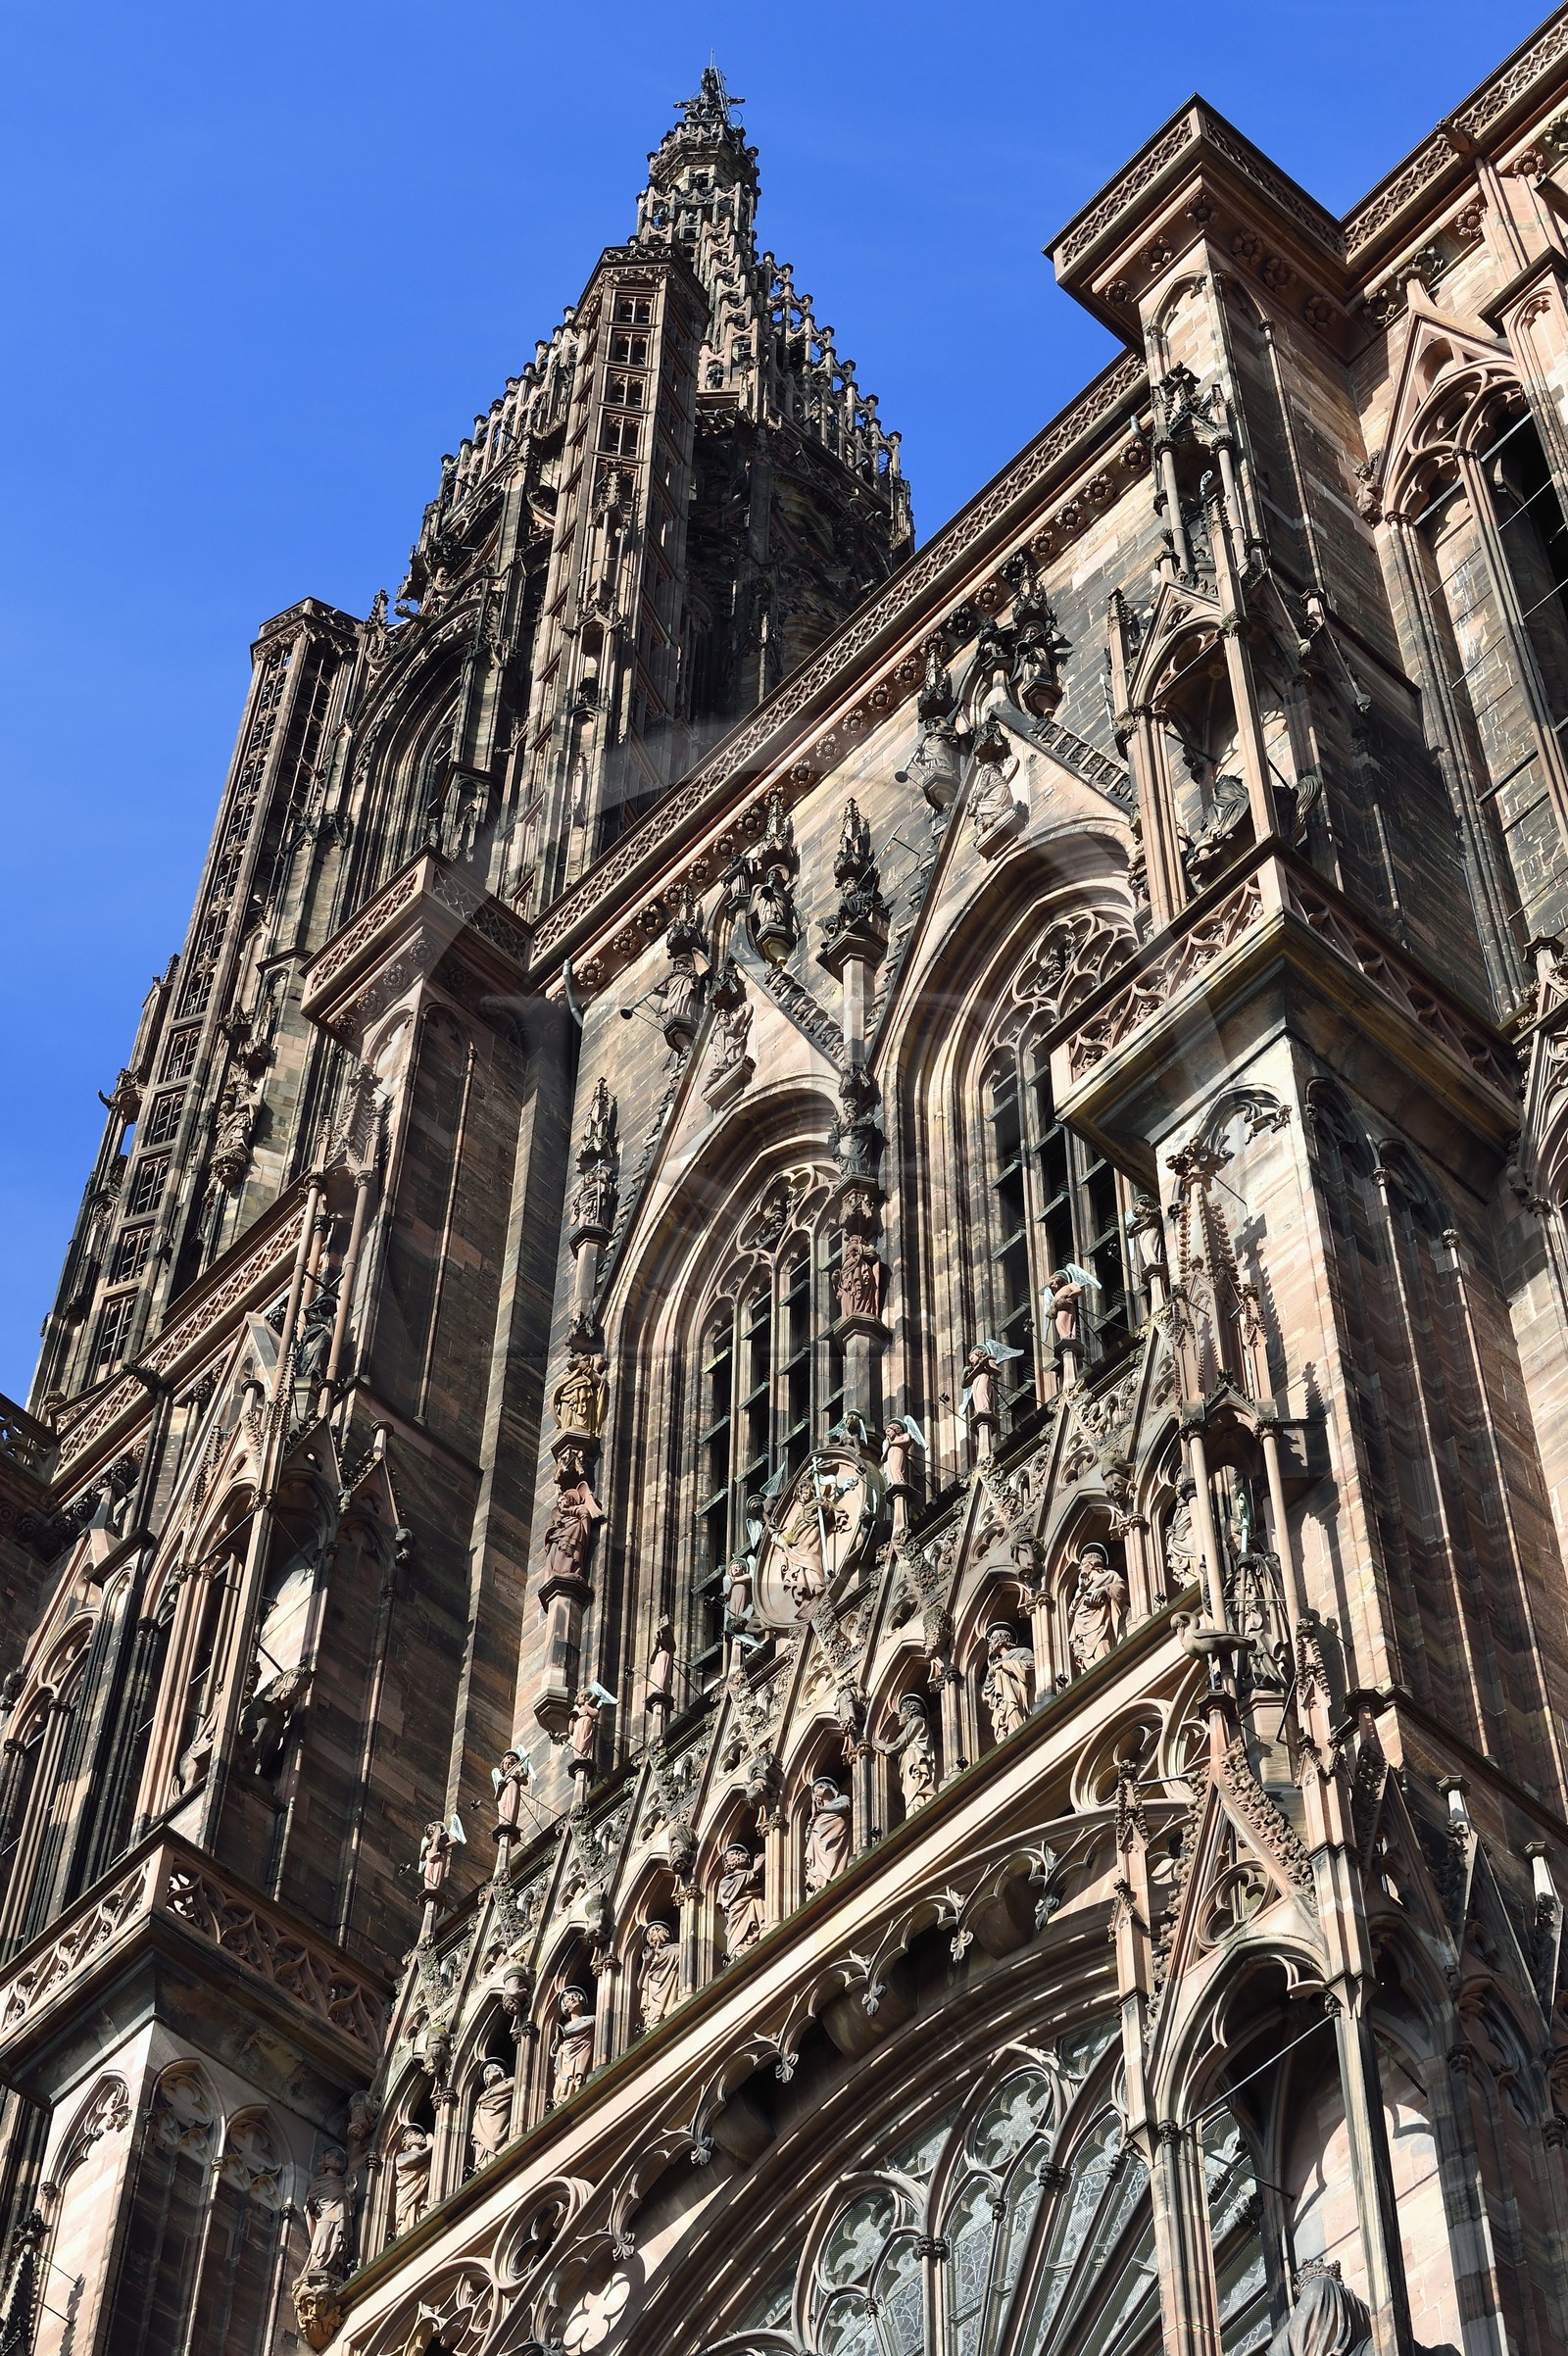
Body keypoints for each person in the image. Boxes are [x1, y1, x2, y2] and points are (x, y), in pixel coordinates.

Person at [981, 1624, 1034, 1741]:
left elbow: (1032, 1666)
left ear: (1003, 1639)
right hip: (1001, 1703)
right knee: (1001, 1723)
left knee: (1013, 1713)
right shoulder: (993, 1667)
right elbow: (985, 1693)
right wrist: (991, 1675)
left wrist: (1004, 1665)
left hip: (1016, 1694)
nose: (990, 1643)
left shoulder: (1022, 1653)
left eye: (993, 1638)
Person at [803, 1776, 853, 1891]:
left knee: (833, 1865)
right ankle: (819, 1886)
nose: (819, 1790)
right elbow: (807, 1836)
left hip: (835, 1841)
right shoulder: (818, 1815)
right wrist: (814, 1816)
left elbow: (845, 1807)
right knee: (819, 1873)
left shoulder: (842, 1799)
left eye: (821, 1786)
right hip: (819, 1848)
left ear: (831, 1788)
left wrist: (822, 1809)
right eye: (815, 1790)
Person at [717, 1840, 765, 1957]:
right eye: (733, 1854)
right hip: (738, 1914)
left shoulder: (756, 1878)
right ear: (727, 1862)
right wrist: (754, 1870)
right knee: (738, 1946)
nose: (738, 1855)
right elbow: (730, 1894)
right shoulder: (726, 1882)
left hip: (756, 1907)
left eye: (740, 1853)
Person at [468, 2061, 514, 2170]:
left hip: (498, 2116)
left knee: (496, 2134)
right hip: (483, 2120)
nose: (487, 2074)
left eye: (490, 2070)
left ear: (499, 2071)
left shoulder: (508, 2081)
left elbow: (515, 2083)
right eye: (486, 2074)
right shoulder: (484, 2095)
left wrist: (494, 2093)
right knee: (480, 2140)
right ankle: (483, 2163)